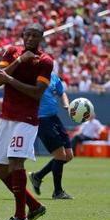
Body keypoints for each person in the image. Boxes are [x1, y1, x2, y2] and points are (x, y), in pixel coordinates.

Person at [0, 23, 53, 220]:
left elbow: (36, 92)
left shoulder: (45, 61)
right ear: (23, 35)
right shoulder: (12, 51)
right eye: (28, 35)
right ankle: (34, 206)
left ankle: (20, 217)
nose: (31, 38)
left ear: (41, 38)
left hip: (26, 119)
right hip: (6, 117)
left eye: (35, 36)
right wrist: (18, 61)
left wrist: (9, 79)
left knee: (16, 163)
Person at [28, 72, 74, 200]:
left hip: (54, 118)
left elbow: (62, 92)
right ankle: (58, 192)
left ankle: (37, 176)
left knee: (68, 156)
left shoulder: (53, 76)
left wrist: (66, 104)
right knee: (60, 155)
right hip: (42, 120)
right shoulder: (31, 76)